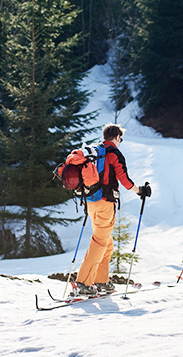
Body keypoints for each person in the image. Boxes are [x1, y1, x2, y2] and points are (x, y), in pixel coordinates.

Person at [75, 123, 150, 296]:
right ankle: (84, 282)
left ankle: (101, 281)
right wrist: (140, 190)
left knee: (106, 243)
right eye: (120, 139)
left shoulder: (95, 151)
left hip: (91, 202)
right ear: (116, 137)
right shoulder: (115, 153)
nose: (120, 141)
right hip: (105, 203)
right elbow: (125, 181)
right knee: (100, 241)